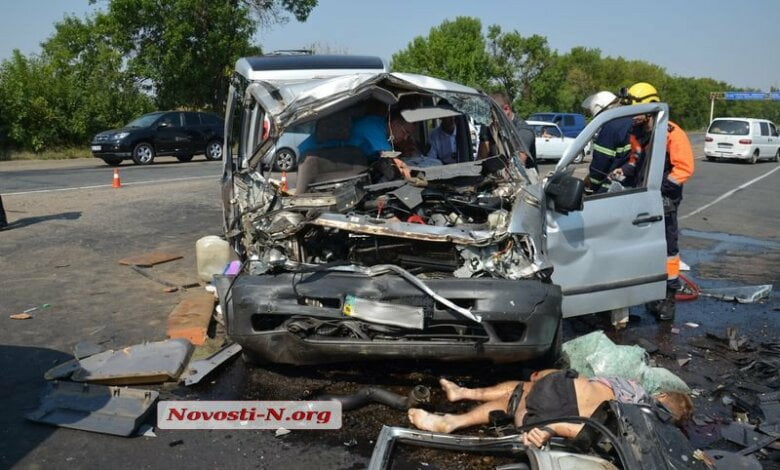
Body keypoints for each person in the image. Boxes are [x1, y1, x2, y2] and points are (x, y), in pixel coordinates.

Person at [407, 369, 693, 449]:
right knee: (522, 396)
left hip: (558, 396)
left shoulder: (635, 388)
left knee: (524, 389)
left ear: (663, 393)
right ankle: (458, 405)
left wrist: (555, 373)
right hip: (551, 420)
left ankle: (459, 408)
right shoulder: (647, 428)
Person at [614, 82, 695, 321]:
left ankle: (669, 298)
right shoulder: (637, 133)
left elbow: (684, 168)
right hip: (642, 198)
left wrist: (661, 189)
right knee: (644, 248)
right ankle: (651, 295)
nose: (633, 115)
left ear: (650, 107)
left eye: (635, 109)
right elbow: (635, 159)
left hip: (665, 200)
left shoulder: (671, 133)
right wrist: (621, 172)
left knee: (668, 250)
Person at [580, 91, 634, 193]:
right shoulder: (631, 120)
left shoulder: (610, 127)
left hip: (612, 188)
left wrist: (592, 181)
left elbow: (601, 162)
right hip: (630, 183)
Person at [477, 92, 536, 167]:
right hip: (494, 174)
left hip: (522, 176)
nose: (490, 118)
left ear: (506, 109)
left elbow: (518, 164)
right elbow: (482, 157)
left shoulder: (523, 130)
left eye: (493, 114)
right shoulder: (490, 125)